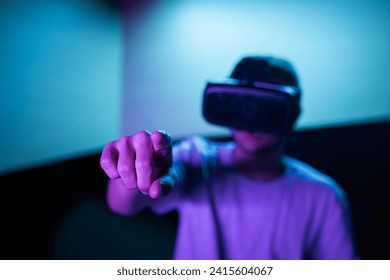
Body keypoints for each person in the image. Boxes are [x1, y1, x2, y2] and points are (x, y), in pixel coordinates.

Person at [100, 55, 358, 260]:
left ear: (290, 113)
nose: (251, 119)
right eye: (242, 104)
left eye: (266, 108)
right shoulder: (198, 159)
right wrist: (134, 171)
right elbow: (123, 205)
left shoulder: (322, 195)